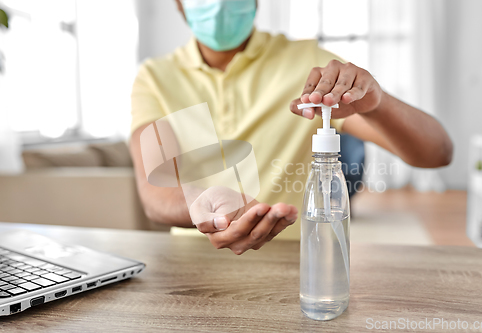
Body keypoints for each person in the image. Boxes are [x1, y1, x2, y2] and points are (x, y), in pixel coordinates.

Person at [129, 0, 453, 255]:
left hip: (295, 264)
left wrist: (379, 105)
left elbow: (437, 152)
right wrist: (206, 208)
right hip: (188, 270)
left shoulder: (307, 65)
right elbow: (154, 194)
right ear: (178, 3)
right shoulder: (155, 78)